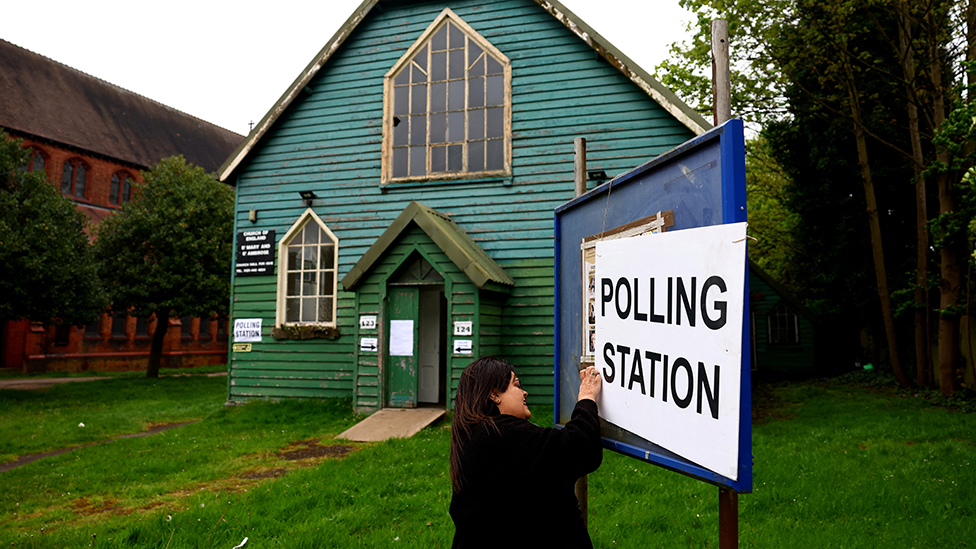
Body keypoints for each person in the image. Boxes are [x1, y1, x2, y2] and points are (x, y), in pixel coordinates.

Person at [449, 356, 603, 549]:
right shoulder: (503, 436)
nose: (524, 392)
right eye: (516, 385)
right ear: (494, 394)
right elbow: (581, 447)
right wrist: (587, 397)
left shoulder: (474, 434)